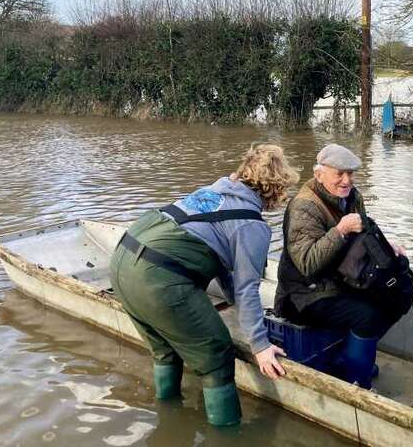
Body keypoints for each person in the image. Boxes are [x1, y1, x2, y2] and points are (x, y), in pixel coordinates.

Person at [109, 144, 299, 426]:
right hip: (158, 278)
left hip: (122, 260)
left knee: (166, 350)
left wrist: (244, 311)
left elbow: (223, 268)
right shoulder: (252, 225)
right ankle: (228, 436)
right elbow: (247, 288)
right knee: (217, 353)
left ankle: (168, 419)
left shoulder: (212, 191)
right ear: (276, 188)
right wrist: (260, 344)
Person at [273, 143, 405, 389]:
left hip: (341, 280)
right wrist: (340, 230)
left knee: (399, 290)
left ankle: (351, 356)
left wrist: (388, 247)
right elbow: (307, 264)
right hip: (303, 294)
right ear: (319, 174)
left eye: (351, 174)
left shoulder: (353, 196)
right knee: (366, 316)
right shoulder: (304, 206)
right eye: (339, 174)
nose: (347, 181)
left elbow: (365, 236)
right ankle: (355, 379)